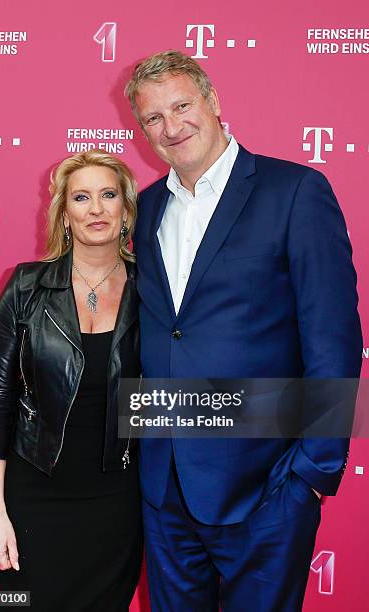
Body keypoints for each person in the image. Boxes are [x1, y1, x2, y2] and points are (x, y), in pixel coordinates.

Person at [125, 50, 363, 611]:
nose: (171, 126)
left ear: (213, 103)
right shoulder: (147, 208)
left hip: (268, 486)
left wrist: (311, 472)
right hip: (164, 490)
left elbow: (334, 341)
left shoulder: (295, 191)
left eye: (182, 106)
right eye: (153, 118)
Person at [0, 150, 143, 611]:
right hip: (32, 500)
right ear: (65, 214)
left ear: (126, 210)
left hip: (117, 502)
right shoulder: (26, 286)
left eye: (108, 195)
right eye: (81, 197)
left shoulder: (153, 292)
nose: (96, 209)